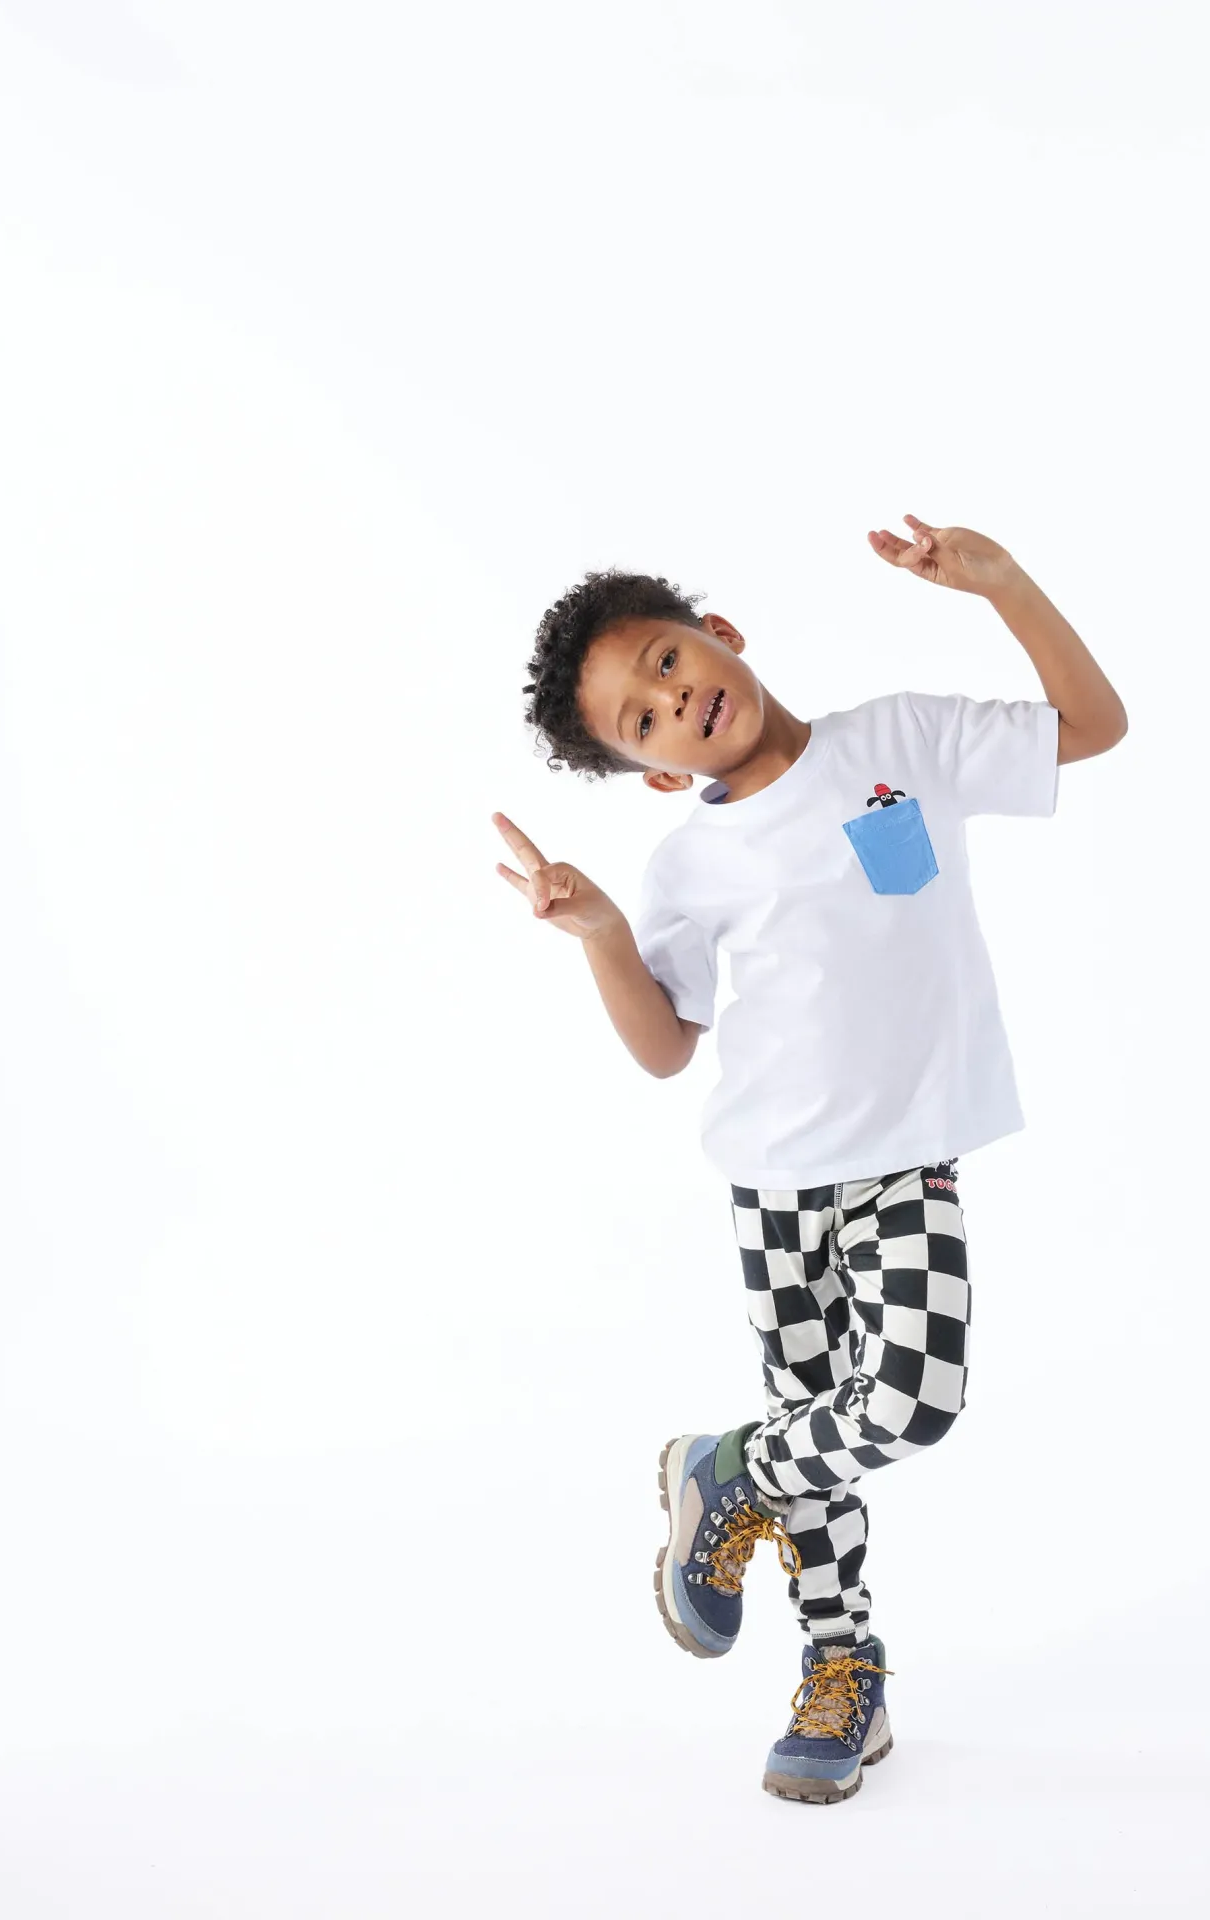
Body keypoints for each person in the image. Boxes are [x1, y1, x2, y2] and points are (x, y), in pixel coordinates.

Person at [493, 514, 1127, 1803]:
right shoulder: (689, 861)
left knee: (911, 1401)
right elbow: (666, 1050)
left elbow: (1094, 727)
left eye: (668, 662)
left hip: (907, 1162)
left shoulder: (900, 741)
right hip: (773, 1182)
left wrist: (1003, 585)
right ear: (654, 775)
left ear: (719, 635)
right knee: (824, 1439)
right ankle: (844, 1676)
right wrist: (605, 933)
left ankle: (724, 1471)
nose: (676, 702)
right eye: (643, 723)